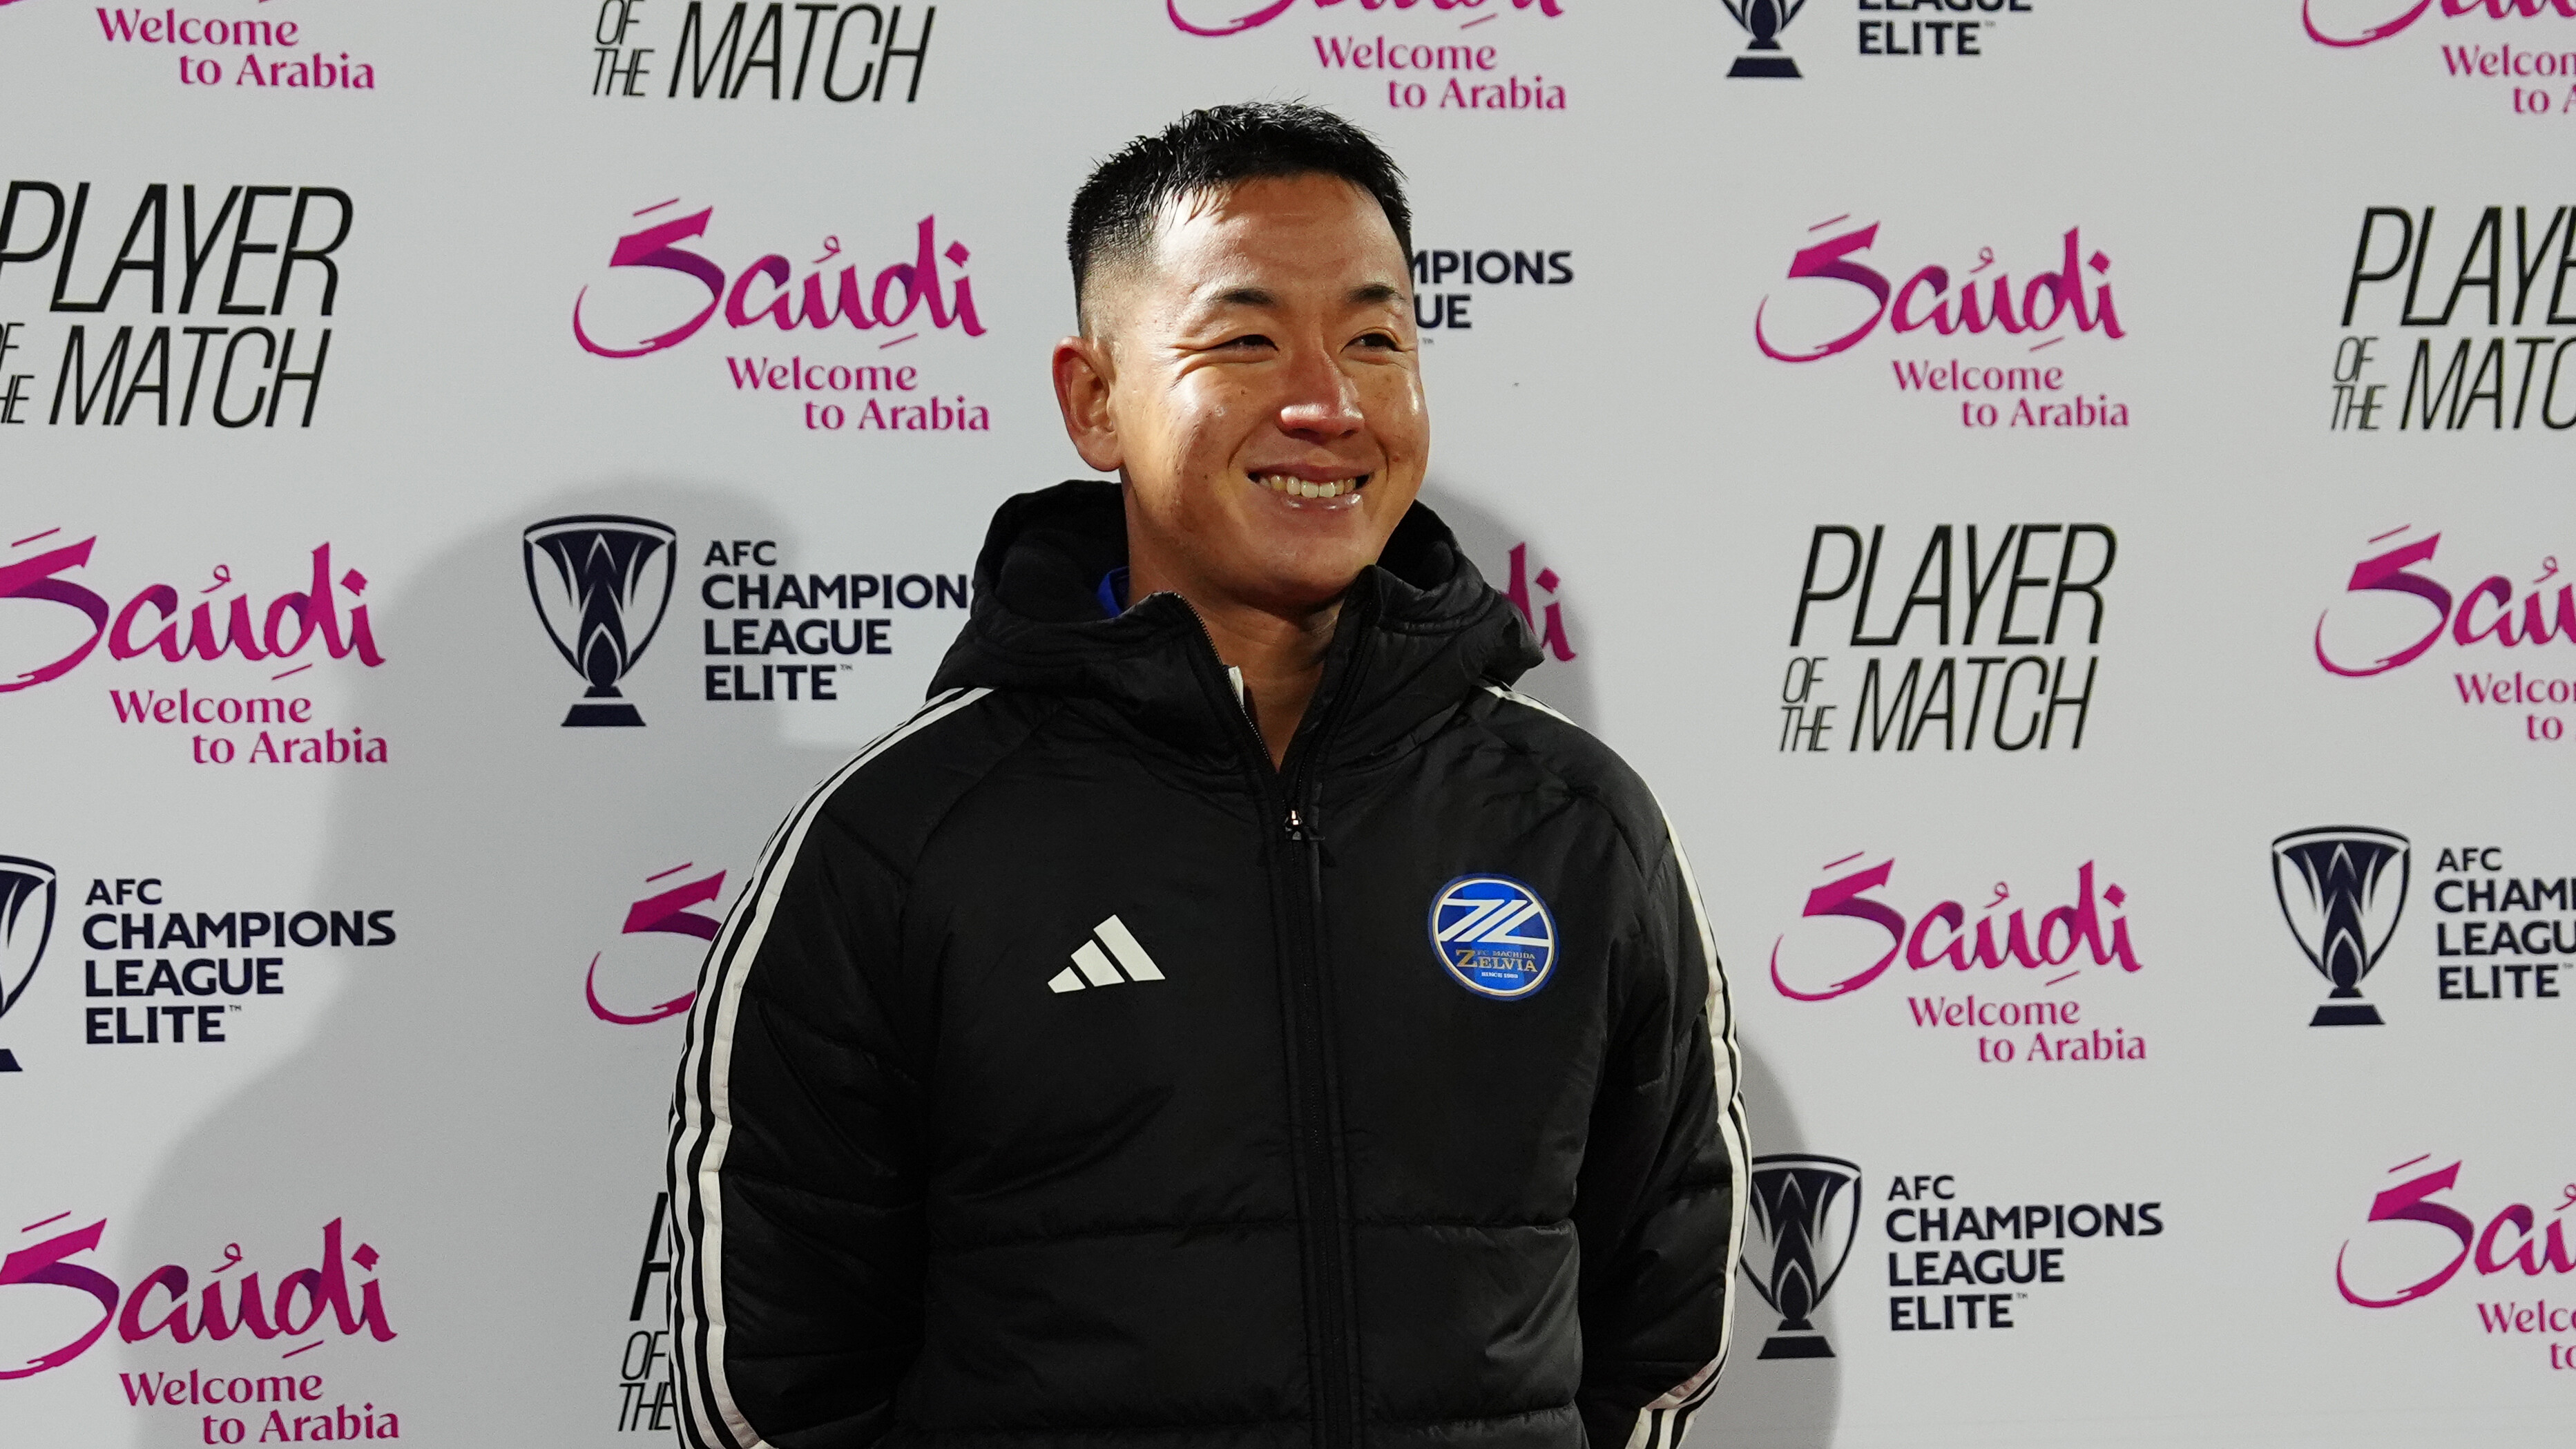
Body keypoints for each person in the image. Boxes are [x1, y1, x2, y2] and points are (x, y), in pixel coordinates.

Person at [666, 102, 1747, 1449]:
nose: (1325, 403)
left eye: (1375, 340)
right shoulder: (897, 838)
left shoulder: (1576, 821)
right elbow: (777, 1379)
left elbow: (1656, 1326)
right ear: (1094, 399)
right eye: (1245, 339)